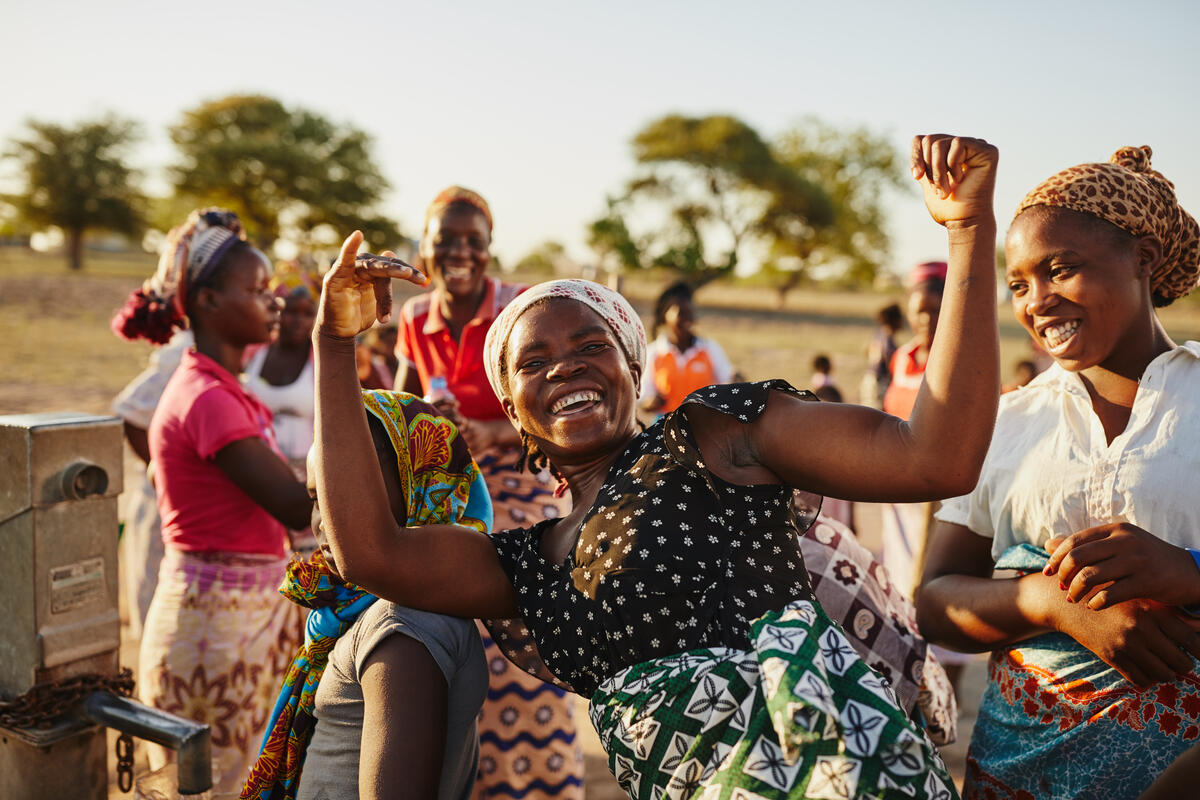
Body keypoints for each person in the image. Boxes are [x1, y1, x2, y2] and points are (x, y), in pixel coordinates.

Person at [312, 133, 1001, 799]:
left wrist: (968, 230)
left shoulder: (710, 437)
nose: (565, 364)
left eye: (591, 343)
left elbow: (933, 459)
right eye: (532, 361)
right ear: (515, 416)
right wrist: (333, 344)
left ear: (632, 370)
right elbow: (371, 555)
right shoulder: (527, 567)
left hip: (829, 769)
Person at [916, 144, 1200, 799]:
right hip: (1013, 772)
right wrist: (1051, 602)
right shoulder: (1004, 421)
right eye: (1018, 283)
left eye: (1061, 269)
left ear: (1143, 259)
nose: (1037, 301)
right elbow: (933, 601)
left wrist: (1189, 571)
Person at [392, 186, 584, 800]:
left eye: (473, 241)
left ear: (489, 247)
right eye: (445, 240)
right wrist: (426, 415)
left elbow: (555, 408)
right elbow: (396, 411)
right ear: (423, 248)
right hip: (447, 491)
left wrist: (488, 430)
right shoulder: (414, 318)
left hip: (520, 479)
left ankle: (533, 782)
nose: (459, 253)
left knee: (519, 631)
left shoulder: (517, 312)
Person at [113, 208, 313, 793]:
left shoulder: (225, 389)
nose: (273, 302)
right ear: (207, 302)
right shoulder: (207, 398)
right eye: (257, 291)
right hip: (215, 637)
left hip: (231, 626)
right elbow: (298, 507)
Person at [242, 389, 492, 800]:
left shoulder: (403, 627)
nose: (325, 521)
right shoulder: (359, 606)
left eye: (347, 493)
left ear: (421, 487)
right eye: (316, 498)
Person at [108, 327, 193, 640]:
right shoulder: (189, 349)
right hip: (164, 504)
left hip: (196, 511)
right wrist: (165, 471)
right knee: (159, 610)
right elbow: (130, 412)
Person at [244, 262, 320, 477]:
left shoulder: (321, 362)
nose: (298, 321)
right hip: (255, 473)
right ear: (275, 310)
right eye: (290, 311)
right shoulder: (252, 355)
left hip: (307, 477)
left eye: (307, 313)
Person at [640, 280, 735, 414]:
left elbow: (728, 380)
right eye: (680, 313)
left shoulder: (709, 349)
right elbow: (645, 400)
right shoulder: (653, 353)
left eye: (690, 312)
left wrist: (736, 380)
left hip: (703, 424)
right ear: (664, 316)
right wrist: (653, 401)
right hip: (666, 426)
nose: (687, 318)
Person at [860, 303, 904, 408]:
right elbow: (890, 362)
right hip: (879, 384)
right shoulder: (888, 340)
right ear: (895, 320)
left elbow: (867, 350)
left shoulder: (878, 334)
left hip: (869, 379)